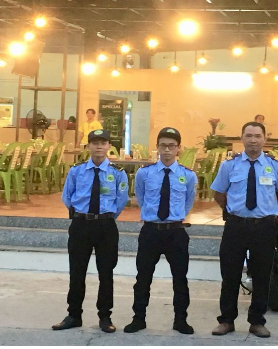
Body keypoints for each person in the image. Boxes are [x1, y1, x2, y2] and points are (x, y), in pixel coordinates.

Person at [209, 121, 278, 338]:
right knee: (230, 274)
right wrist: (230, 210)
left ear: (265, 139)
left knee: (262, 275)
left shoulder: (276, 166)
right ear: (242, 138)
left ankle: (257, 321)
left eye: (257, 136)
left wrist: (272, 211)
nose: (253, 140)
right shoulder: (229, 165)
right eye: (248, 136)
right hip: (236, 226)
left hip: (263, 228)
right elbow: (219, 193)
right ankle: (226, 320)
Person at [53, 129, 129, 334]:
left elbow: (121, 200)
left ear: (109, 146)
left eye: (103, 143)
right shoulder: (76, 171)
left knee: (106, 273)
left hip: (105, 226)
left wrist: (106, 217)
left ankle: (105, 316)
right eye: (95, 143)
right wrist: (81, 214)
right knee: (77, 272)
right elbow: (67, 196)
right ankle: (74, 315)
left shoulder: (118, 172)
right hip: (81, 225)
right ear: (88, 146)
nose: (99, 147)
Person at [124, 127, 197, 335]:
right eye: (163, 146)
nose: (167, 150)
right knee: (143, 277)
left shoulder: (187, 175)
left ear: (178, 149)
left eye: (171, 146)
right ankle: (138, 318)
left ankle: (180, 320)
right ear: (157, 147)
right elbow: (141, 197)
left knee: (180, 278)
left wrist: (175, 217)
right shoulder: (144, 173)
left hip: (175, 232)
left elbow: (188, 202)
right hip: (151, 231)